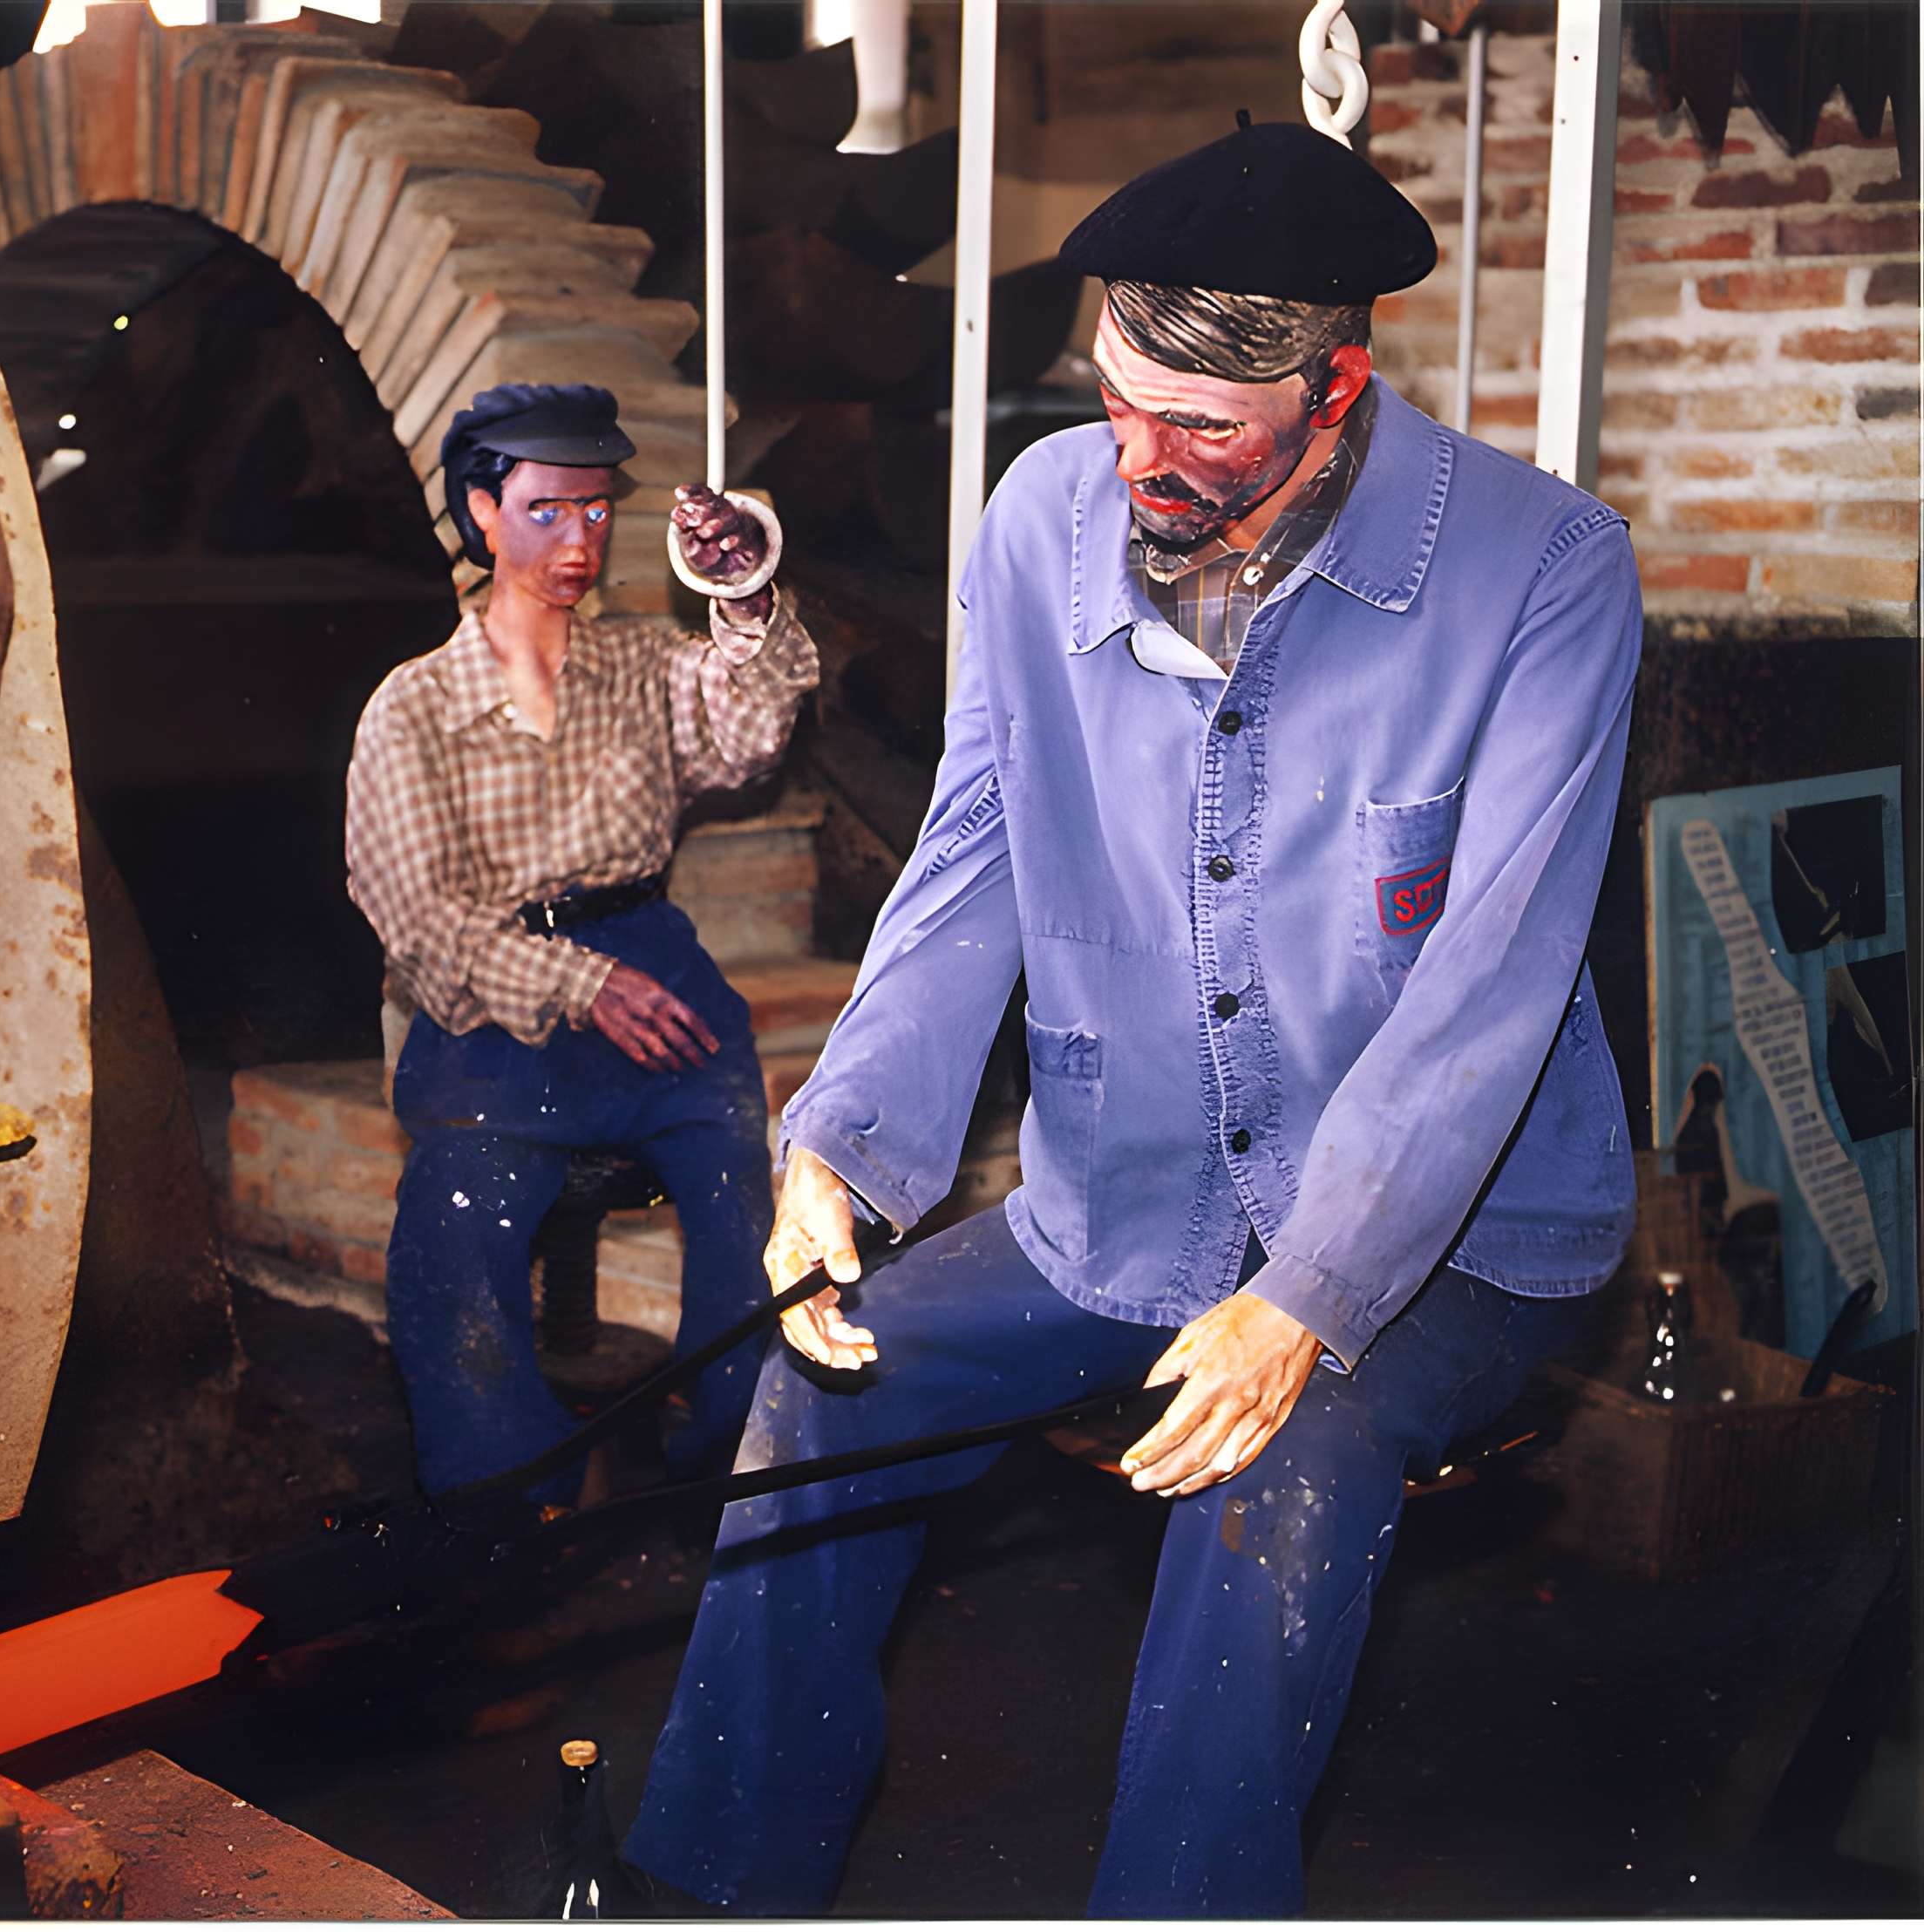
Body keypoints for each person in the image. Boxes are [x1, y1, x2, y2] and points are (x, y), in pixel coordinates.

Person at [620, 117, 1642, 1916]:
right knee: (820, 1373)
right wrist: (843, 1147)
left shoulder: (1541, 570)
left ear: (1335, 390)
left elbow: (1492, 975)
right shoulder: (1043, 522)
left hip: (1454, 1236)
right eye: (1114, 399)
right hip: (1134, 1193)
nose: (1135, 459)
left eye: (1198, 430)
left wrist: (1309, 1300)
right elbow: (975, 847)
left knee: (1280, 1459)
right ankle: (709, 1887)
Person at [344, 383, 820, 1503]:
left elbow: (750, 734)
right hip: (494, 1010)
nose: (580, 539)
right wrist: (577, 982)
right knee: (455, 1228)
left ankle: (727, 1467)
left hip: (651, 962)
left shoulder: (645, 666)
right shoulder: (411, 709)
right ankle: (504, 1499)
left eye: (598, 511)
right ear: (480, 510)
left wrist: (744, 587)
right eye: (548, 511)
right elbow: (414, 920)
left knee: (742, 1196)